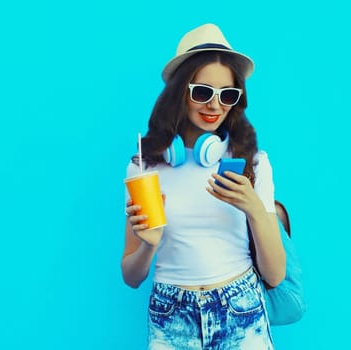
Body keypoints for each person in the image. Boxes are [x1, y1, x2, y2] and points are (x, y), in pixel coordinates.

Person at [122, 23, 286, 349]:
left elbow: (275, 274)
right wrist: (149, 244)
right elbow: (131, 276)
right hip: (171, 314)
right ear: (179, 93)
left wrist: (253, 207)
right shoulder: (145, 168)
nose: (214, 106)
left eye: (227, 95)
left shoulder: (252, 162)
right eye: (201, 92)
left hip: (241, 309)